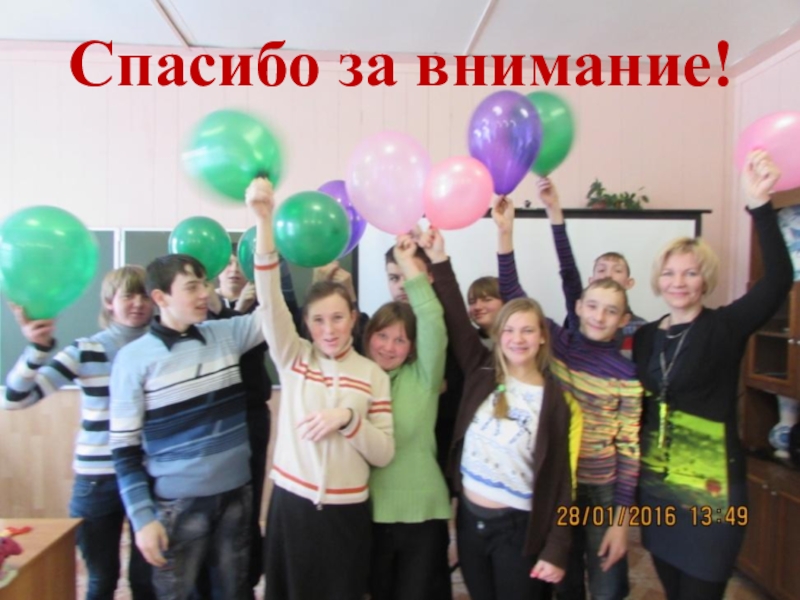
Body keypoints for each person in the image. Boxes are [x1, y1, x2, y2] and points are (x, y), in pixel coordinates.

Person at [631, 150, 793, 600]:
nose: (678, 281)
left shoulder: (724, 327)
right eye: (669, 273)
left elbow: (778, 280)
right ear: (658, 279)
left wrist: (760, 205)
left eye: (690, 273)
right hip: (659, 487)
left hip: (712, 490)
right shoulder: (645, 337)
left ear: (705, 280)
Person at [495, 182, 643, 600]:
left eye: (611, 311)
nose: (599, 316)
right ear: (578, 307)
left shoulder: (626, 375)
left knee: (609, 586)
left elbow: (629, 450)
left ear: (623, 319)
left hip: (602, 489)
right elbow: (512, 293)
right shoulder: (558, 343)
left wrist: (621, 521)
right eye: (592, 306)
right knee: (565, 584)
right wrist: (505, 233)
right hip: (560, 484)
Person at [248, 178, 394, 600]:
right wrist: (264, 221)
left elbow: (383, 452)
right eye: (318, 320)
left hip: (347, 513)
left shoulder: (373, 374)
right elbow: (269, 299)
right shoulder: (294, 358)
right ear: (307, 324)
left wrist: (347, 419)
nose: (328, 330)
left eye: (337, 318)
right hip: (291, 505)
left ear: (353, 318)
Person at [421, 226, 572, 600]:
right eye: (510, 331)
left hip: (518, 530)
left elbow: (561, 481)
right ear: (499, 335)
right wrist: (438, 258)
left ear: (542, 336)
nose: (517, 339)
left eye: (527, 331)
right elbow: (456, 315)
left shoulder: (554, 400)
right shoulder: (482, 369)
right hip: (470, 521)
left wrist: (557, 548)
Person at [110, 254, 265, 600]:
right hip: (178, 504)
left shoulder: (225, 334)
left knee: (235, 591)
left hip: (235, 495)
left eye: (205, 284)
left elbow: (274, 318)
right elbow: (124, 449)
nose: (204, 293)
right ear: (160, 297)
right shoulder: (134, 359)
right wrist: (142, 518)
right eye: (192, 287)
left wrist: (270, 256)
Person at [3, 266, 156, 600]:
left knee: (148, 580)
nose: (138, 303)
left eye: (145, 295)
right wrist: (37, 348)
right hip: (97, 478)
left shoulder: (164, 348)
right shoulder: (86, 349)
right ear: (109, 302)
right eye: (128, 295)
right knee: (101, 578)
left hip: (151, 475)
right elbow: (14, 399)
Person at [366, 234, 452, 600]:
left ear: (413, 347)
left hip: (423, 514)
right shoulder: (356, 379)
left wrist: (408, 266)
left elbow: (432, 319)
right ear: (368, 337)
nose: (389, 347)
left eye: (400, 340)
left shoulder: (425, 378)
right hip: (369, 513)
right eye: (382, 336)